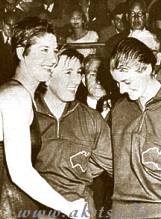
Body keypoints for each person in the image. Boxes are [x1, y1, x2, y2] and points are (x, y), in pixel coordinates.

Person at [0, 17, 88, 219]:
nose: (53, 59)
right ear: (22, 52)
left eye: (55, 50)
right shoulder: (15, 96)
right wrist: (69, 208)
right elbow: (20, 172)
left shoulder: (22, 94)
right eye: (44, 50)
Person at [35, 49, 113, 219]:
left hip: (80, 209)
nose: (76, 80)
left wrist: (80, 169)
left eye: (78, 72)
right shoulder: (26, 113)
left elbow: (116, 165)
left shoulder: (90, 118)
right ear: (47, 77)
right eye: (68, 72)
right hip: (34, 209)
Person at [109, 37, 161, 219]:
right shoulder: (120, 109)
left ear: (147, 68)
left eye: (127, 81)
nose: (122, 90)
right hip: (121, 211)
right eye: (117, 83)